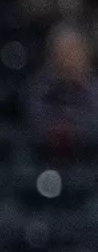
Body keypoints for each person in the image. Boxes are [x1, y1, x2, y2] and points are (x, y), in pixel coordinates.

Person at [25, 20, 98, 153]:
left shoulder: (95, 88)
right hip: (47, 158)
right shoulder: (40, 87)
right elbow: (37, 122)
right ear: (53, 56)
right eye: (63, 52)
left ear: (86, 54)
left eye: (74, 51)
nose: (69, 58)